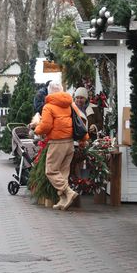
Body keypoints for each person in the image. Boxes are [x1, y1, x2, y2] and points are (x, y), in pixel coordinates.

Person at [34, 81, 80, 210]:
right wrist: (84, 139)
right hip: (70, 142)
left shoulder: (48, 106)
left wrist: (36, 129)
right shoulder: (70, 104)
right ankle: (63, 199)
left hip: (57, 142)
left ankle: (69, 192)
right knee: (63, 171)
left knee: (51, 170)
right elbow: (79, 122)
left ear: (49, 92)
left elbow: (46, 126)